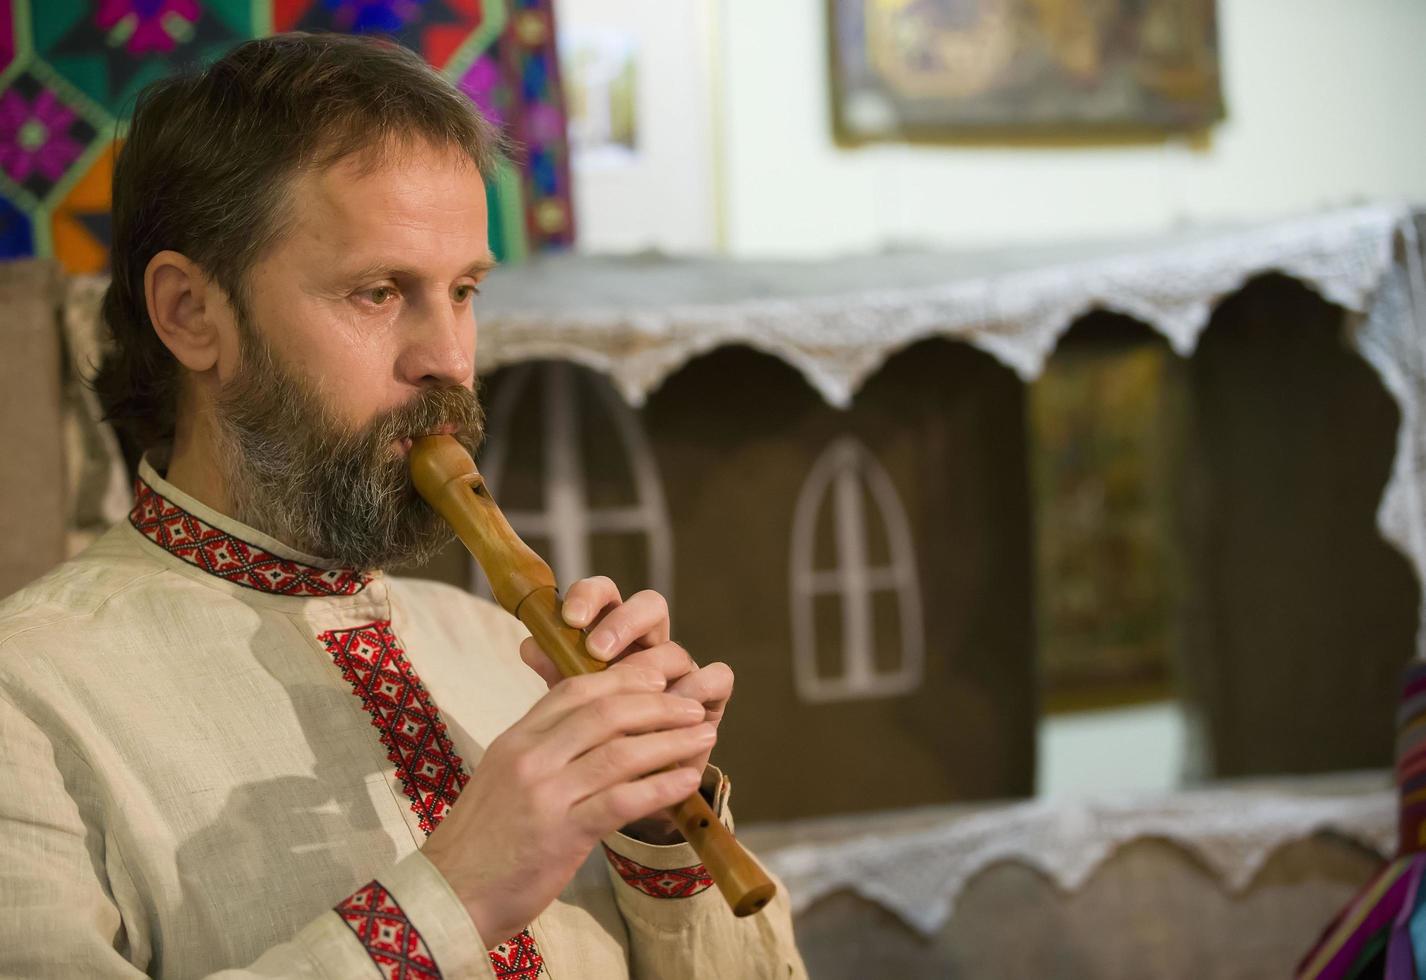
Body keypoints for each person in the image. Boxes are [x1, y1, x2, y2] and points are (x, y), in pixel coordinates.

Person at [0, 32, 805, 979]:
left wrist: (654, 839)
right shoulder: (30, 702)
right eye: (379, 292)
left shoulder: (503, 656)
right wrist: (455, 894)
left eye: (463, 290)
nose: (449, 360)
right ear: (189, 314)